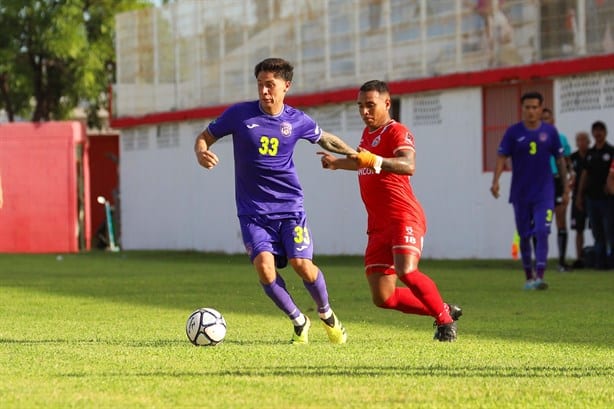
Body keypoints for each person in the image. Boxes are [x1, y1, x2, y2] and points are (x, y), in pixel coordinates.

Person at [194, 58, 355, 344]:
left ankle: (327, 315)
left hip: (290, 208)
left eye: (270, 85)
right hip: (252, 212)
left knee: (301, 264)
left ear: (286, 86)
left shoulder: (297, 120)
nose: (264, 91)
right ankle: (298, 321)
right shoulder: (239, 114)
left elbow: (325, 139)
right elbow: (205, 136)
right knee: (265, 269)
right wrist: (201, 151)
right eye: (260, 85)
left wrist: (352, 154)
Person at [317, 80, 462, 342]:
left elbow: (408, 165)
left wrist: (374, 159)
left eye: (370, 105)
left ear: (387, 103)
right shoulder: (367, 135)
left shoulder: (397, 131)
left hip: (403, 215)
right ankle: (442, 308)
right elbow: (365, 164)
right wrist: (337, 164)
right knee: (383, 297)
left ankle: (445, 323)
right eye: (360, 106)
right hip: (377, 225)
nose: (364, 111)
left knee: (406, 271)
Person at [491, 91, 568, 290]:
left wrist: (566, 187)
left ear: (541, 108)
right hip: (521, 193)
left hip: (545, 193)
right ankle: (529, 277)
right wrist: (496, 180)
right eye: (527, 107)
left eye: (535, 107)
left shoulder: (550, 132)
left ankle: (540, 276)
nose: (531, 111)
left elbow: (560, 160)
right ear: (522, 109)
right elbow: (501, 156)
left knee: (542, 231)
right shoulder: (513, 132)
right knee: (525, 235)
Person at [576, 121, 614, 269]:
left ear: (605, 133)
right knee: (597, 232)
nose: (598, 134)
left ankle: (611, 263)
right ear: (593, 134)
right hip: (592, 199)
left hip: (608, 200)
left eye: (601, 131)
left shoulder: (611, 151)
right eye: (595, 131)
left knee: (610, 231)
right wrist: (579, 195)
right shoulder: (590, 154)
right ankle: (600, 263)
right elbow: (584, 175)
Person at [541, 108, 572, 271]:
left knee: (561, 220)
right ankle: (541, 262)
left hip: (558, 181)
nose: (546, 121)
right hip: (542, 182)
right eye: (543, 119)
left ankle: (561, 262)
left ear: (553, 120)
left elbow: (567, 162)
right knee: (543, 223)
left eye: (548, 118)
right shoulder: (536, 140)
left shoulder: (561, 139)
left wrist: (568, 182)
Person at [569, 131, 591, 268]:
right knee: (578, 229)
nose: (581, 142)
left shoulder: (593, 155)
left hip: (594, 197)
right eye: (579, 140)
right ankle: (579, 259)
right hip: (577, 198)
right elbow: (568, 176)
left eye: (584, 140)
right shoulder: (572, 158)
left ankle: (601, 256)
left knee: (598, 230)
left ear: (589, 142)